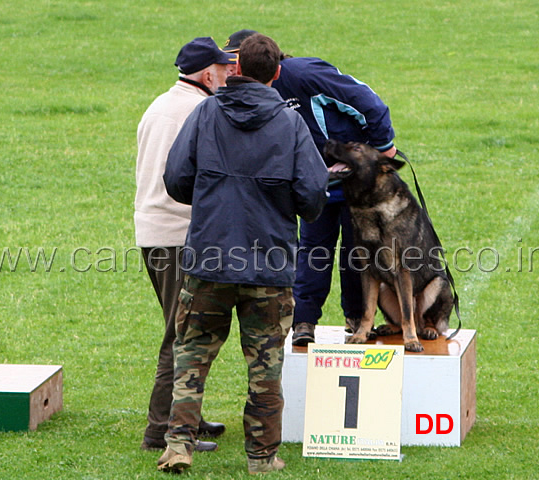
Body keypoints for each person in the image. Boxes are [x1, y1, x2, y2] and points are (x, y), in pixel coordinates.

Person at [158, 34, 329, 474]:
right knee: (265, 367)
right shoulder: (290, 126)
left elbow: (176, 178)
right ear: (276, 74)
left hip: (209, 260)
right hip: (268, 267)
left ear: (235, 69)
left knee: (191, 355)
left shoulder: (206, 113)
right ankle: (262, 457)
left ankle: (178, 445)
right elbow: (313, 196)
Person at [223, 30, 397, 346]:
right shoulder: (248, 93)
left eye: (233, 61)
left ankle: (358, 318)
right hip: (315, 182)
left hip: (356, 177)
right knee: (313, 249)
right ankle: (304, 322)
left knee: (356, 251)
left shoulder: (305, 74)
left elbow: (367, 101)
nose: (229, 69)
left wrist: (382, 147)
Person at [134, 37, 233, 453]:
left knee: (186, 330)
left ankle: (186, 416)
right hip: (179, 236)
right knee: (183, 335)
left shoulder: (160, 104)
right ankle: (162, 430)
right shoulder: (199, 110)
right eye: (225, 70)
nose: (230, 76)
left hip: (153, 233)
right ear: (208, 74)